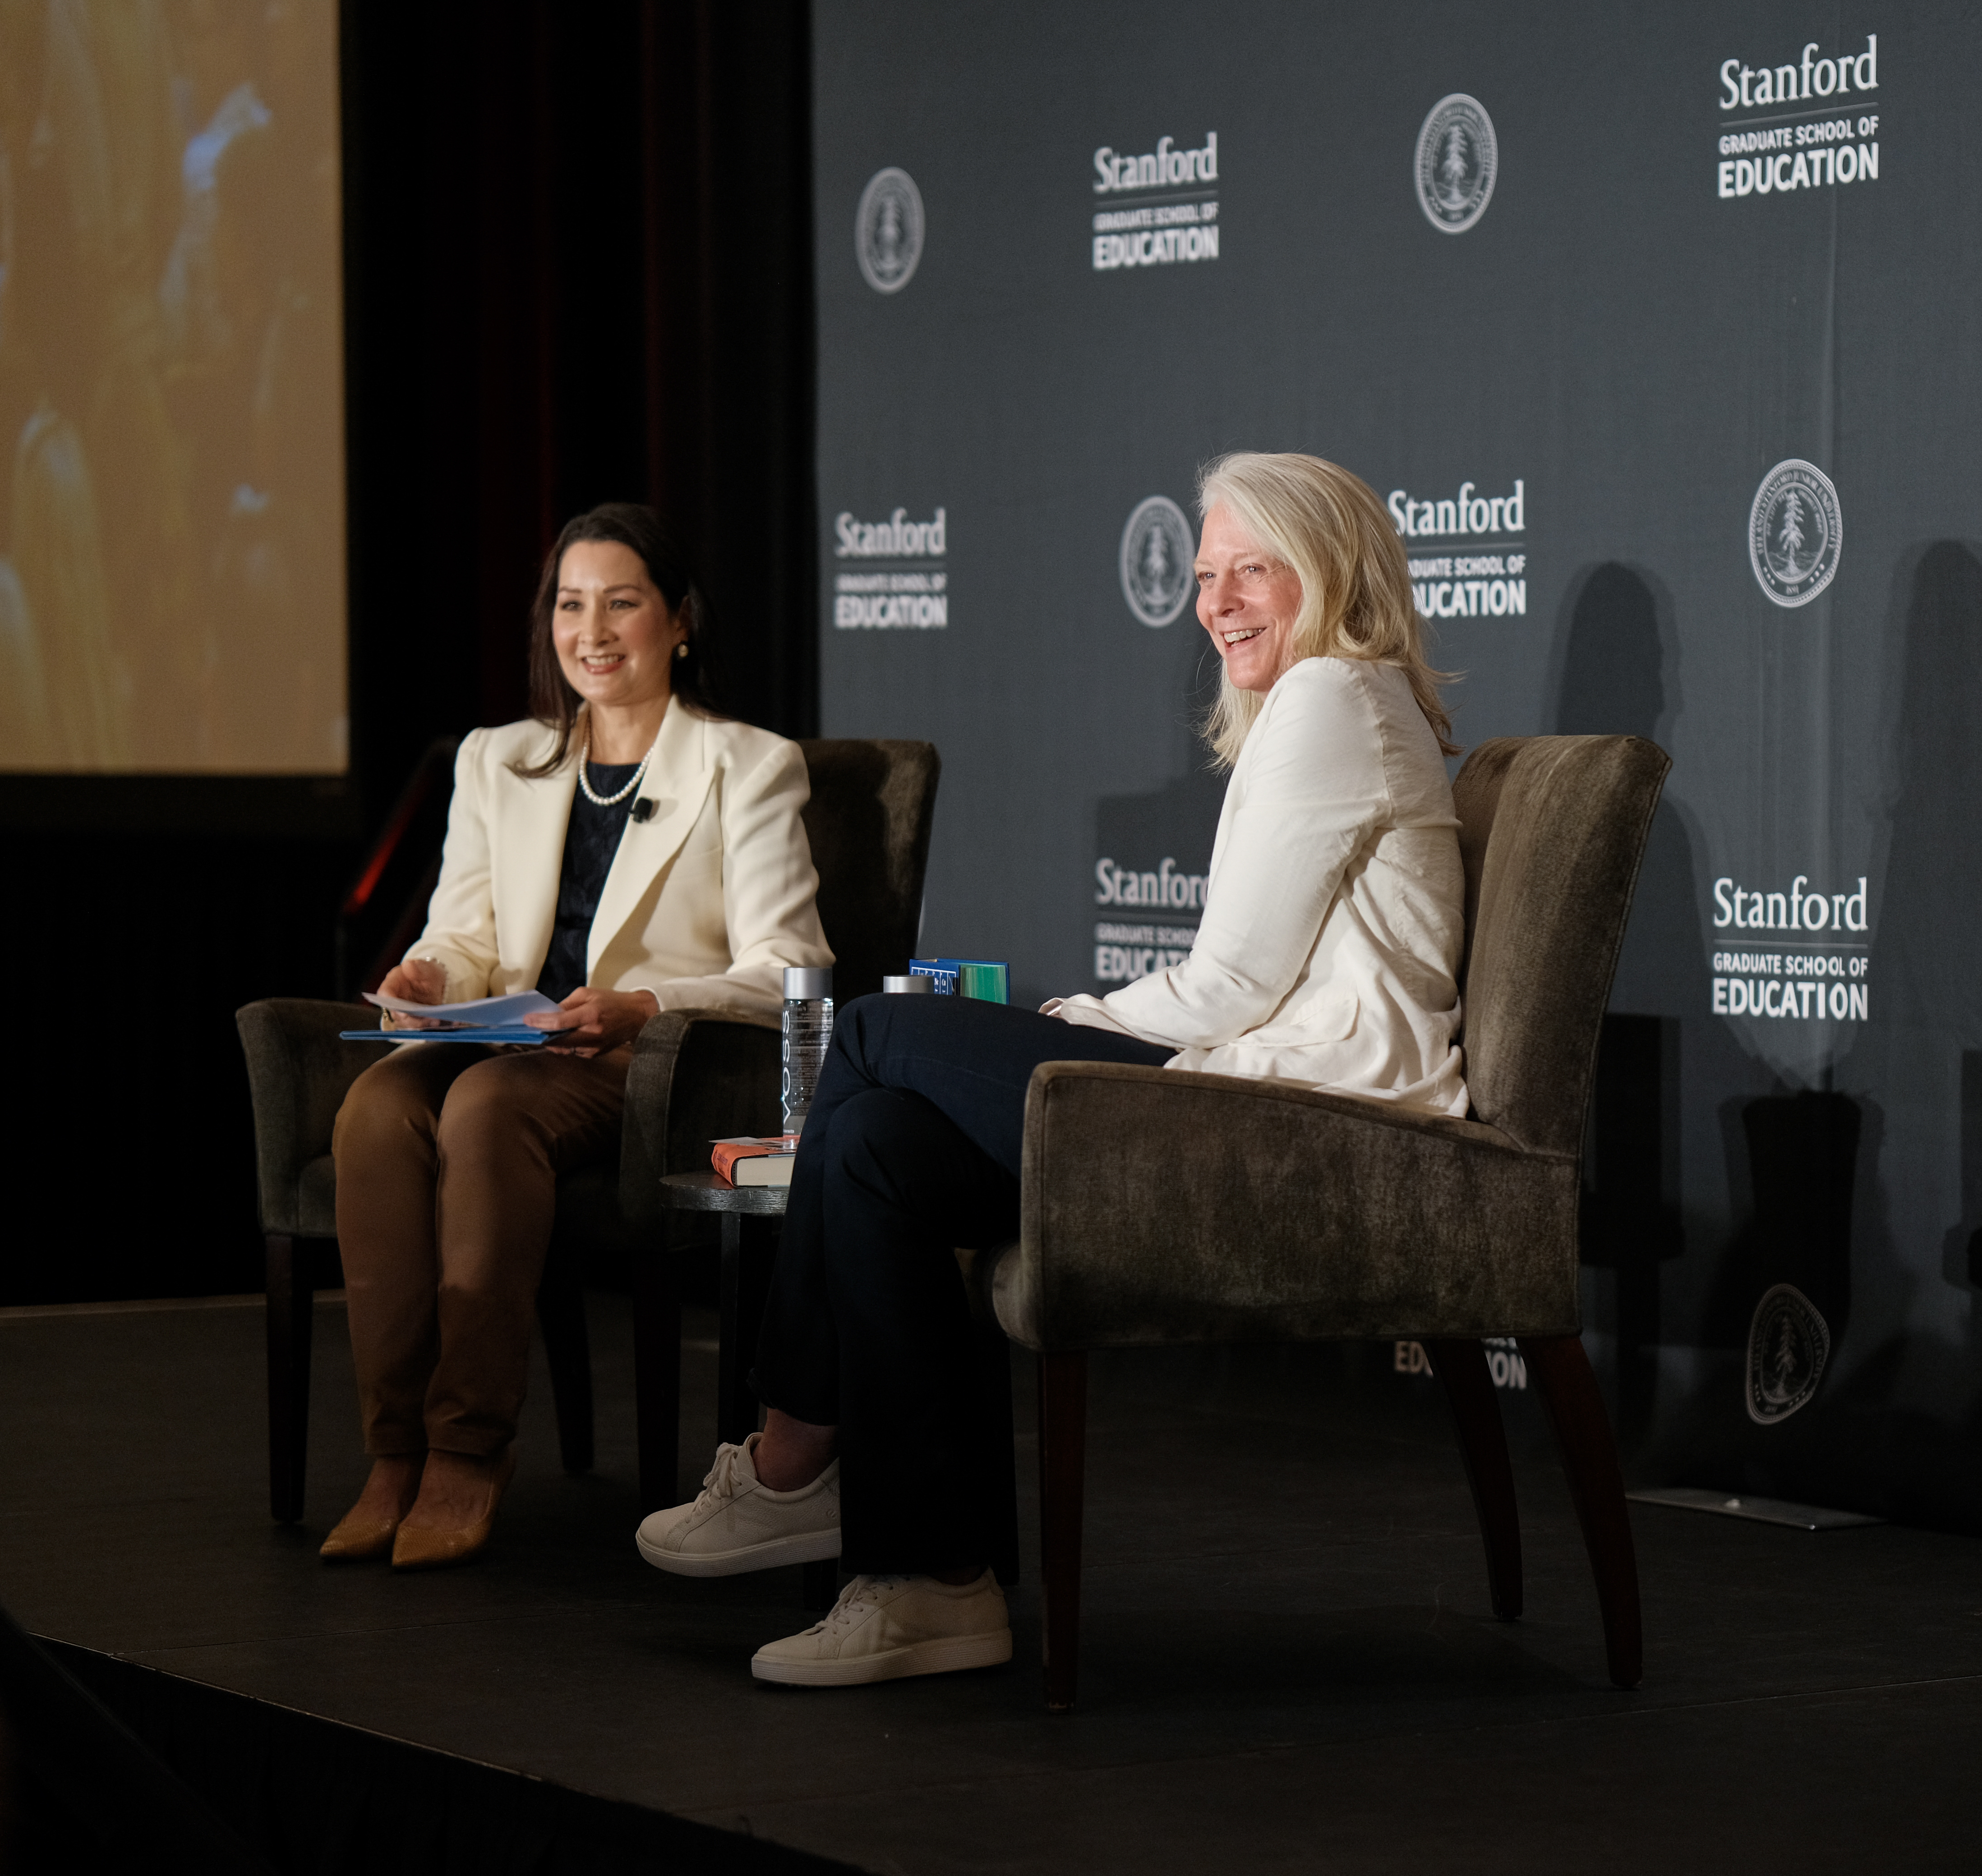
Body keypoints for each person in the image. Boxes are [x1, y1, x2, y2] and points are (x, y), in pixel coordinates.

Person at [634, 451, 1466, 1686]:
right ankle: (930, 1585)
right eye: (1207, 576)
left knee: (869, 1036)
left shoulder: (1332, 698)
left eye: (1255, 571)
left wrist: (1071, 1020)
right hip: (1258, 1083)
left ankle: (791, 1456)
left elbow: (1231, 985)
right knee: (870, 1147)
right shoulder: (1331, 701)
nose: (1220, 603)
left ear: (1333, 572)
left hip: (1312, 1121)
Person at [325, 504, 831, 1570]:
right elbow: (466, 934)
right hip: (509, 1041)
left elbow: (789, 964)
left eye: (621, 604)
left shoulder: (748, 765)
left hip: (647, 1065)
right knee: (376, 1107)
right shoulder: (497, 760)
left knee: (484, 1107)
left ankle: (467, 1448)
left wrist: (644, 1004)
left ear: (679, 621)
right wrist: (431, 974)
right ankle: (393, 1450)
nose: (591, 632)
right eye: (569, 605)